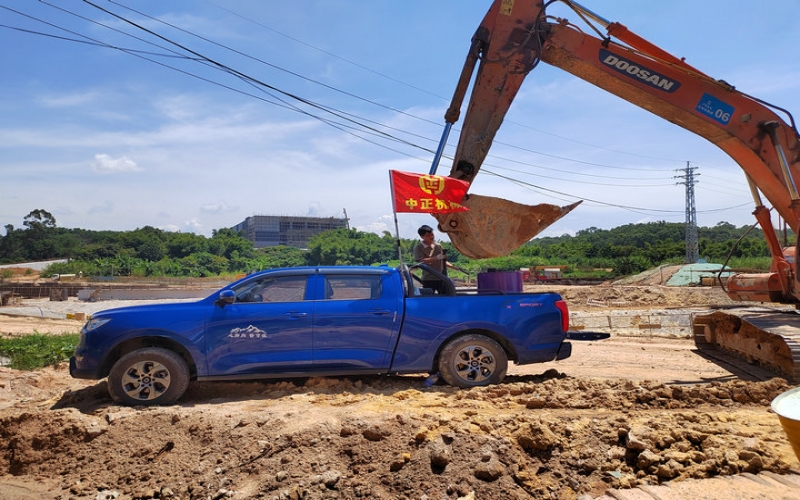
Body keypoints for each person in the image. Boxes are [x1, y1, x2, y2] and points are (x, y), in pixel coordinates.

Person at [412, 224, 453, 294]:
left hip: (441, 277)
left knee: (446, 297)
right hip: (429, 279)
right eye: (428, 235)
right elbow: (421, 262)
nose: (431, 237)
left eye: (432, 234)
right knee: (429, 299)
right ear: (422, 237)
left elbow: (442, 261)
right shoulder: (419, 247)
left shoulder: (438, 246)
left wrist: (455, 267)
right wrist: (437, 257)